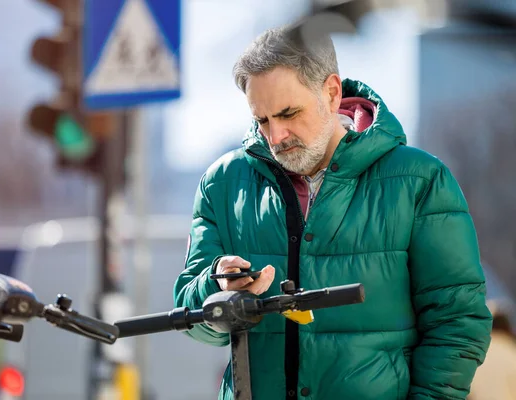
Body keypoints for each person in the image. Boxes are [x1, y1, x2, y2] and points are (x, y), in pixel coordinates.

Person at [173, 24, 492, 400]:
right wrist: (218, 289)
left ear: (331, 92)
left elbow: (457, 323)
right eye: (262, 120)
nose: (276, 136)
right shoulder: (223, 184)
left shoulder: (420, 180)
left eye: (289, 113)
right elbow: (190, 318)